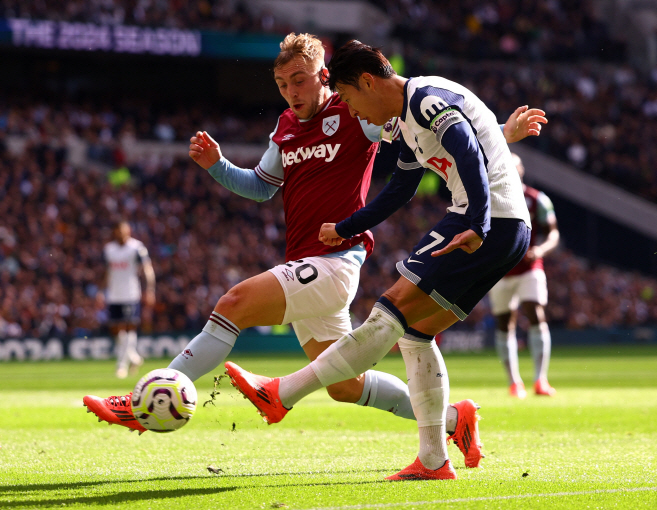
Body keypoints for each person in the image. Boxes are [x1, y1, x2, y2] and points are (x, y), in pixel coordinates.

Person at [84, 34, 544, 453]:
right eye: (283, 84)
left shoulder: (357, 113)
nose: (291, 92)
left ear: (325, 77)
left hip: (337, 262)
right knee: (345, 384)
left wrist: (496, 137)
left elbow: (433, 134)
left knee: (235, 301)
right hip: (305, 257)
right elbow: (262, 186)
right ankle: (451, 422)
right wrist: (218, 166)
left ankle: (154, 394)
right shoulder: (284, 128)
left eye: (299, 80)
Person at [225, 40, 535, 481]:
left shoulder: (425, 98)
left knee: (386, 313)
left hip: (486, 220)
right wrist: (348, 226)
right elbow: (400, 189)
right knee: (414, 334)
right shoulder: (407, 121)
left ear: (368, 82)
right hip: (505, 227)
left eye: (349, 98)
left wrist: (478, 223)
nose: (351, 112)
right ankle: (433, 460)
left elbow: (465, 146)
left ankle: (284, 393)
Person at [488, 153, 559, 398]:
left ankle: (541, 379)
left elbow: (553, 233)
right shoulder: (490, 198)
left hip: (530, 267)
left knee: (534, 311)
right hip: (499, 270)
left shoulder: (537, 199)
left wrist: (540, 249)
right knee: (504, 322)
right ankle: (514, 382)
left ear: (521, 170)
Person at [99, 221, 155, 379]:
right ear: (115, 232)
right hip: (113, 294)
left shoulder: (137, 247)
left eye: (124, 231)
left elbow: (147, 268)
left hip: (131, 294)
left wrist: (150, 289)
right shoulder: (109, 249)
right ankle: (134, 358)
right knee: (116, 330)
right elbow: (106, 272)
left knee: (129, 327)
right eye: (119, 231)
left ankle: (121, 365)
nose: (122, 234)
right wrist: (101, 292)